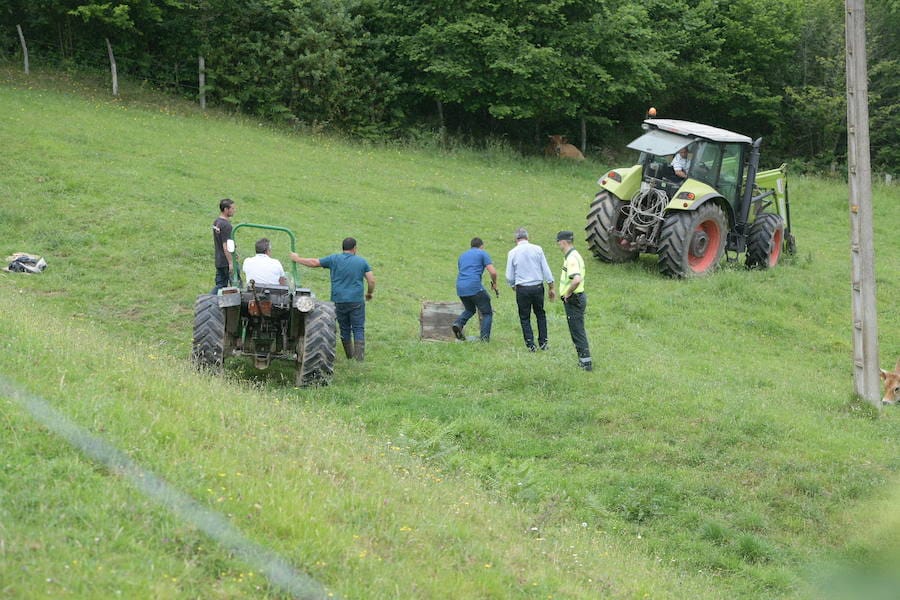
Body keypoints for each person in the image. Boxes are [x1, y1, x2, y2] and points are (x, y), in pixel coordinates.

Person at [290, 237, 375, 362]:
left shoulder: (334, 259)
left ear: (343, 248)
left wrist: (297, 259)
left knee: (344, 328)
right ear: (355, 248)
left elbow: (314, 262)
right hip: (356, 301)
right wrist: (369, 293)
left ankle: (349, 355)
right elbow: (371, 280)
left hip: (338, 300)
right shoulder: (362, 262)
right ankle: (359, 359)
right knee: (358, 328)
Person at [505, 227, 555, 352]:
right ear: (528, 237)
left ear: (516, 239)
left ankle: (530, 344)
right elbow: (546, 269)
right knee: (540, 314)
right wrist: (551, 286)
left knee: (524, 317)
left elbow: (509, 275)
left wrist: (513, 285)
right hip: (537, 287)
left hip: (522, 288)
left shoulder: (512, 252)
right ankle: (543, 343)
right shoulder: (538, 249)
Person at [555, 231, 593, 371]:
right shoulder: (575, 255)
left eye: (558, 242)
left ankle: (585, 364)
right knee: (577, 330)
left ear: (563, 242)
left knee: (577, 332)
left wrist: (568, 293)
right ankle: (584, 361)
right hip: (577, 298)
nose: (558, 245)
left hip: (574, 299)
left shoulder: (571, 258)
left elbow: (576, 279)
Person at [452, 237, 499, 342]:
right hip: (474, 286)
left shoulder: (462, 256)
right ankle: (484, 339)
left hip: (460, 287)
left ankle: (458, 323)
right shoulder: (482, 253)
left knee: (470, 309)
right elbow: (493, 272)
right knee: (487, 312)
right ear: (481, 246)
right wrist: (495, 283)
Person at [211, 198, 235, 294]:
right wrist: (231, 262)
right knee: (236, 286)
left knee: (220, 285)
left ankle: (209, 302)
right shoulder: (226, 226)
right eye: (232, 208)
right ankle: (208, 300)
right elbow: (226, 246)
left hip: (219, 259)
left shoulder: (216, 222)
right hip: (226, 261)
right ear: (226, 209)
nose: (234, 210)